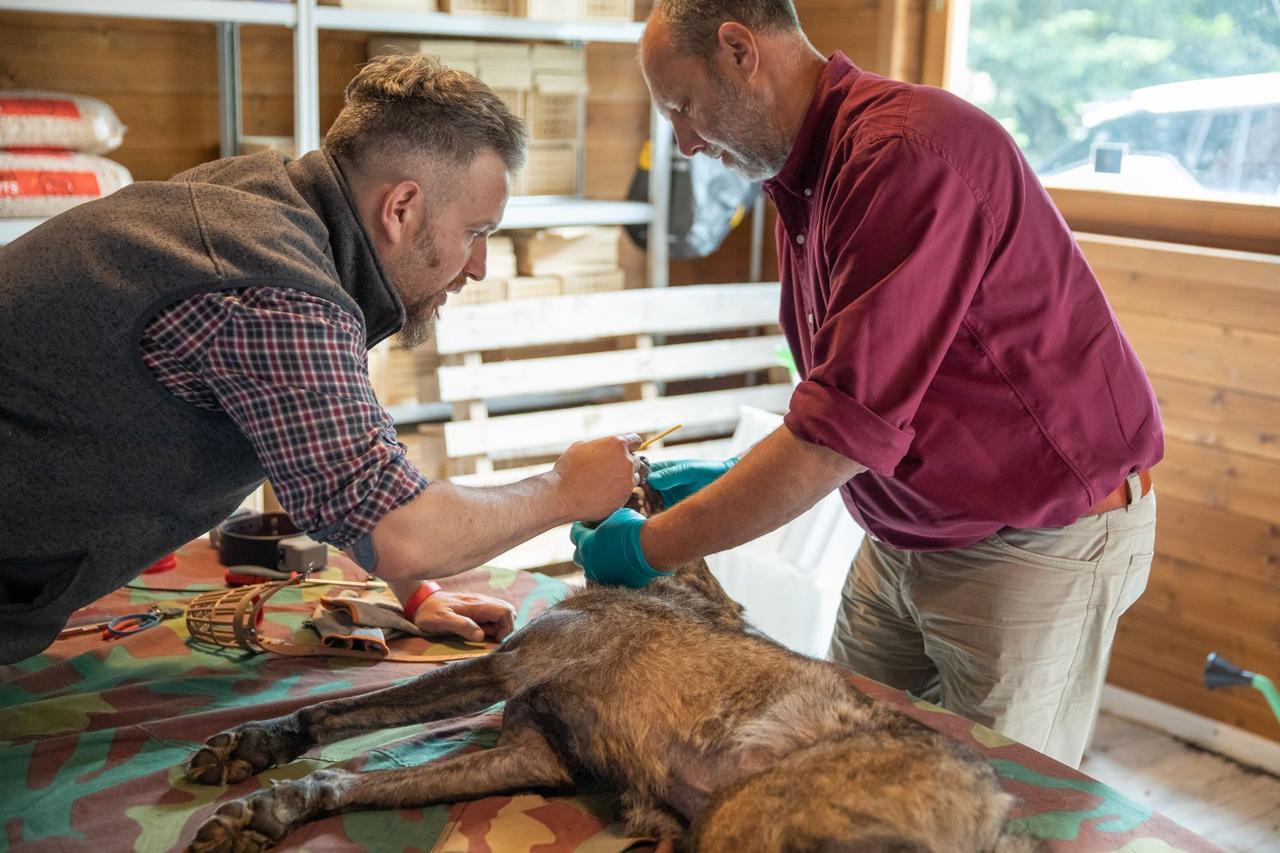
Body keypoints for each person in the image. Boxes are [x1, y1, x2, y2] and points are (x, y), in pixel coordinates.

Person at [570, 0, 1163, 768]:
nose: (683, 142)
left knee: (992, 804)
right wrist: (728, 476)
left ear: (740, 50)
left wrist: (650, 547)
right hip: (900, 531)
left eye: (684, 106)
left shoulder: (904, 156)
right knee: (841, 771)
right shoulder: (803, 179)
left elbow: (835, 439)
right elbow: (852, 395)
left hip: (1031, 543)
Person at [0, 54, 641, 665]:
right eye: (475, 232)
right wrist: (564, 491)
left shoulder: (258, 202)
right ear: (400, 208)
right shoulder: (275, 291)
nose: (478, 266)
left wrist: (412, 590)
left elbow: (327, 460)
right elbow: (401, 531)